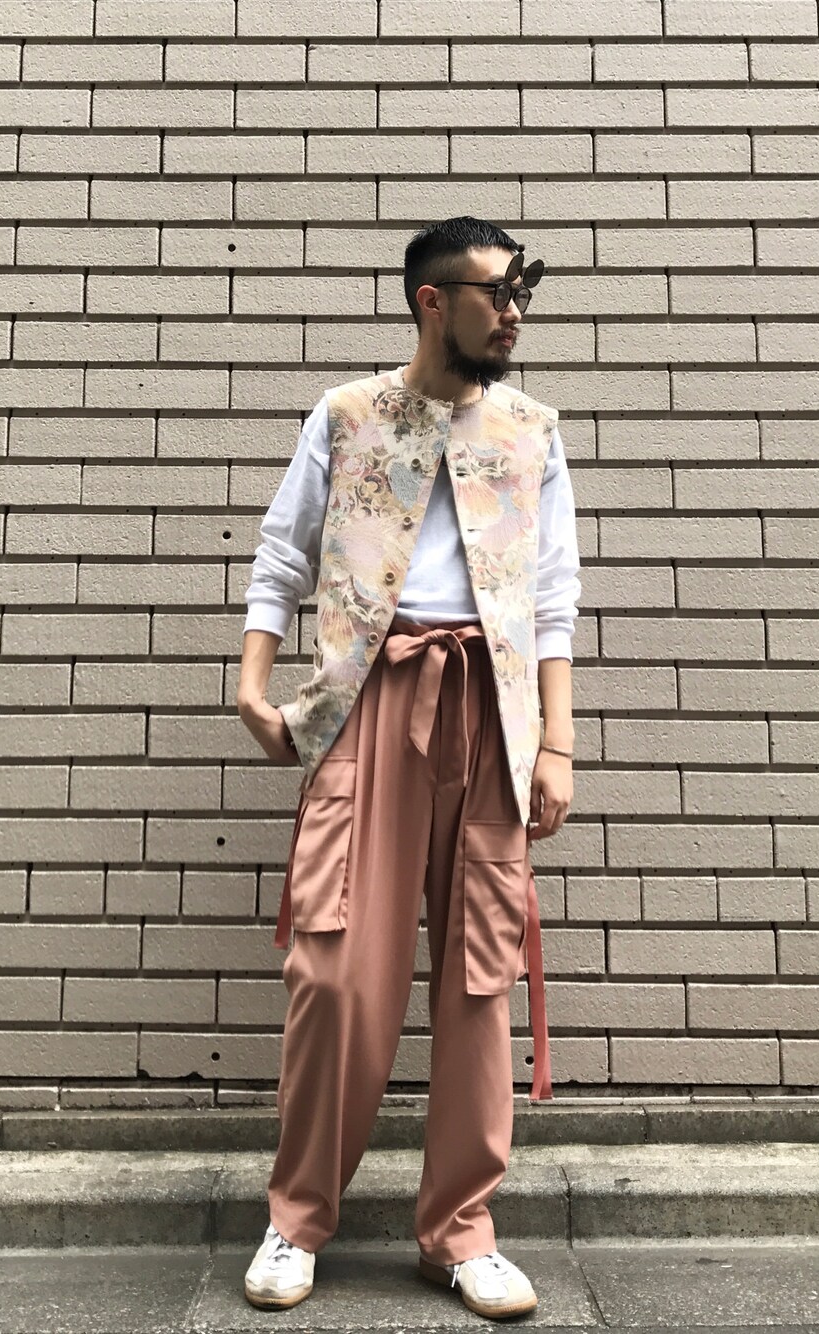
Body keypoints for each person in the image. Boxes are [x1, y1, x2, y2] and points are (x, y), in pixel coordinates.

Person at [235, 215, 581, 1321]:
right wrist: (253, 681)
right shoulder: (346, 415)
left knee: (480, 977)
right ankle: (298, 1218)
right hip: (366, 704)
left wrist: (558, 742)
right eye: (497, 292)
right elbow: (283, 553)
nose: (514, 311)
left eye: (521, 291)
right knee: (335, 970)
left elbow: (555, 596)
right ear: (433, 302)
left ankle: (461, 1231)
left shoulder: (533, 431)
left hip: (491, 715)